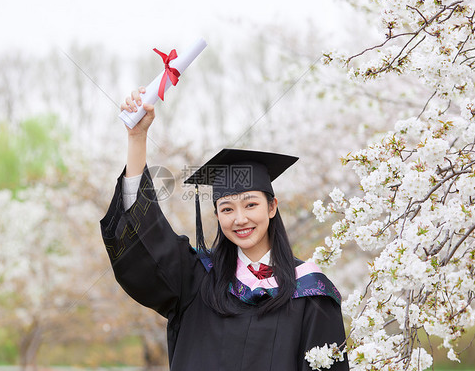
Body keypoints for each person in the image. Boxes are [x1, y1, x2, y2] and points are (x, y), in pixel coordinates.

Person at [100, 87, 349, 371]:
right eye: (227, 209)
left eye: (251, 205)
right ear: (217, 215)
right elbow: (146, 241)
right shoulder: (196, 279)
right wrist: (137, 137)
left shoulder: (311, 293)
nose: (240, 219)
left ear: (272, 207)